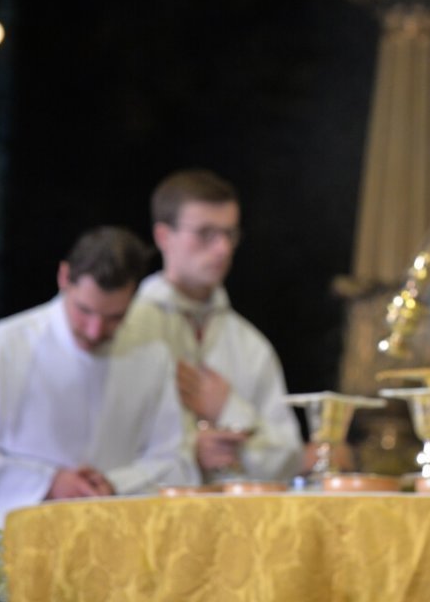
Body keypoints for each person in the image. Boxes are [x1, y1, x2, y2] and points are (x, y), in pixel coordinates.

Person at [0, 227, 196, 522]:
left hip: (114, 535)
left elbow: (175, 461)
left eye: (114, 317)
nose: (95, 331)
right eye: (84, 310)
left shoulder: (152, 357)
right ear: (63, 277)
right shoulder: (1, 348)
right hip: (15, 537)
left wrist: (115, 483)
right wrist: (47, 482)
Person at [123, 169, 302, 483]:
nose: (223, 249)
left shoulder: (250, 344)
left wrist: (229, 410)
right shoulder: (126, 330)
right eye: (205, 233)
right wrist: (188, 454)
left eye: (229, 234)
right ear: (164, 236)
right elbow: (98, 447)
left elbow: (288, 460)